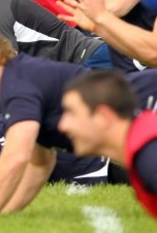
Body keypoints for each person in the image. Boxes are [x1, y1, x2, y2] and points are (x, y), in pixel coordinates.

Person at [0, 26, 157, 218]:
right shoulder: (19, 80)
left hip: (149, 100)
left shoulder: (17, 85)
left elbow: (16, 155)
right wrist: (5, 213)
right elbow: (40, 164)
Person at [59, 70, 157, 218]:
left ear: (103, 117)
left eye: (72, 113)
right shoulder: (142, 148)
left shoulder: (149, 155)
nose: (63, 125)